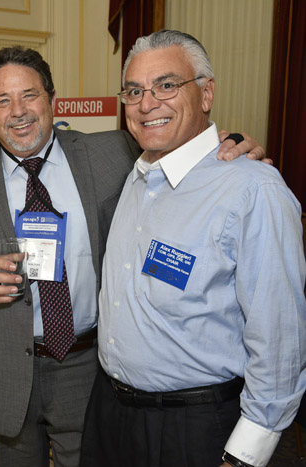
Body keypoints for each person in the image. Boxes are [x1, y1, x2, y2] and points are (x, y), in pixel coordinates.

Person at [0, 45, 265, 467]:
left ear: (51, 99)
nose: (18, 111)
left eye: (30, 95)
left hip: (88, 366)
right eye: (3, 100)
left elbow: (179, 140)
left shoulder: (114, 152)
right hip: (4, 364)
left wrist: (231, 145)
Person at [81, 30, 306, 467]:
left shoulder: (252, 190)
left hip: (195, 427)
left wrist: (245, 455)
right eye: (133, 91)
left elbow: (280, 338)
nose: (147, 104)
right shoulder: (134, 174)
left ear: (206, 93)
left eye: (167, 85)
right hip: (109, 414)